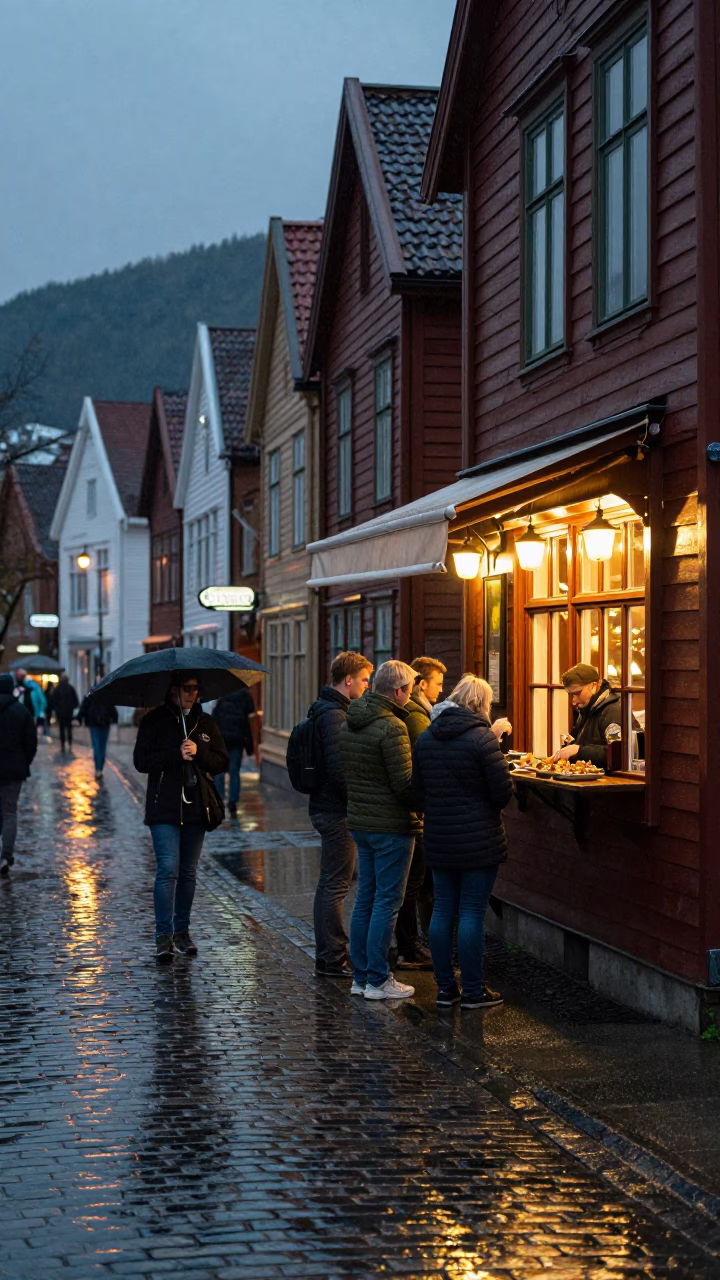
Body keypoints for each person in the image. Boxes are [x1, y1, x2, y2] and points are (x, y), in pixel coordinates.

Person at [414, 674, 513, 1011]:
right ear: (481, 704)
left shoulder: (426, 737)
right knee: (471, 913)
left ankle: (445, 989)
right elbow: (502, 792)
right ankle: (472, 991)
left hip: (440, 838)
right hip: (479, 839)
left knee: (442, 909)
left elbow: (417, 793)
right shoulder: (482, 739)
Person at [133, 672, 228, 962]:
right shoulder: (154, 721)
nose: (193, 693)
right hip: (164, 808)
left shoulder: (205, 723)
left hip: (196, 808)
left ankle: (182, 932)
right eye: (187, 688)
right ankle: (163, 936)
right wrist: (176, 754)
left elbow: (222, 761)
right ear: (173, 690)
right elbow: (141, 761)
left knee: (188, 872)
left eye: (196, 688)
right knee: (168, 869)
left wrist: (198, 752)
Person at [341, 659, 419, 1001]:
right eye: (410, 691)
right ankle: (377, 979)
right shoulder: (392, 727)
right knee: (387, 902)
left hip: (361, 822)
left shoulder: (352, 719)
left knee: (366, 901)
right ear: (399, 691)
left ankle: (361, 976)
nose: (411, 697)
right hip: (391, 826)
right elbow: (403, 785)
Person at [308, 651, 374, 979]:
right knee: (336, 884)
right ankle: (333, 957)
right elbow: (339, 771)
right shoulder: (334, 715)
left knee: (330, 882)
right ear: (348, 680)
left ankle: (328, 955)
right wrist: (360, 800)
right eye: (364, 679)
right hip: (336, 812)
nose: (367, 685)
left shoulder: (328, 709)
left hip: (327, 808)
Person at [394, 656, 448, 969]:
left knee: (414, 882)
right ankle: (409, 946)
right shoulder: (418, 716)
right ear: (421, 684)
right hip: (415, 811)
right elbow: (426, 758)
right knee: (414, 882)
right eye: (438, 684)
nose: (442, 690)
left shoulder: (420, 712)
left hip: (414, 809)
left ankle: (412, 943)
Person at [0, 672, 38, 876]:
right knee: (9, 812)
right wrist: (24, 762)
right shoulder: (21, 711)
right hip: (13, 771)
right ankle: (5, 855)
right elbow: (31, 743)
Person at [553, 663, 625, 767]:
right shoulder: (586, 709)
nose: (574, 701)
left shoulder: (612, 712)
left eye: (577, 693)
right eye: (571, 695)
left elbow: (616, 754)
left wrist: (579, 751)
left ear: (593, 686)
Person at [211, 687, 256, 816]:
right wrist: (249, 747)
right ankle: (233, 802)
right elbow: (246, 725)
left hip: (221, 742)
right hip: (237, 742)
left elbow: (214, 723)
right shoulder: (244, 698)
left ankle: (219, 800)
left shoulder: (222, 700)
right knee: (234, 773)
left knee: (220, 772)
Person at [79, 685, 118, 779]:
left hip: (94, 724)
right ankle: (100, 768)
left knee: (96, 746)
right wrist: (114, 719)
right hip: (104, 724)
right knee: (102, 747)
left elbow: (83, 708)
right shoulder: (106, 695)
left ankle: (98, 769)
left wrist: (81, 718)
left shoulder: (90, 695)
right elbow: (113, 710)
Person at [50, 673, 79, 751]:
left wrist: (56, 709)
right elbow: (76, 701)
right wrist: (72, 707)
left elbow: (53, 701)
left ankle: (63, 743)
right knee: (69, 728)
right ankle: (69, 742)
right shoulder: (70, 688)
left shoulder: (57, 689)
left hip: (61, 713)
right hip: (68, 712)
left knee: (62, 728)